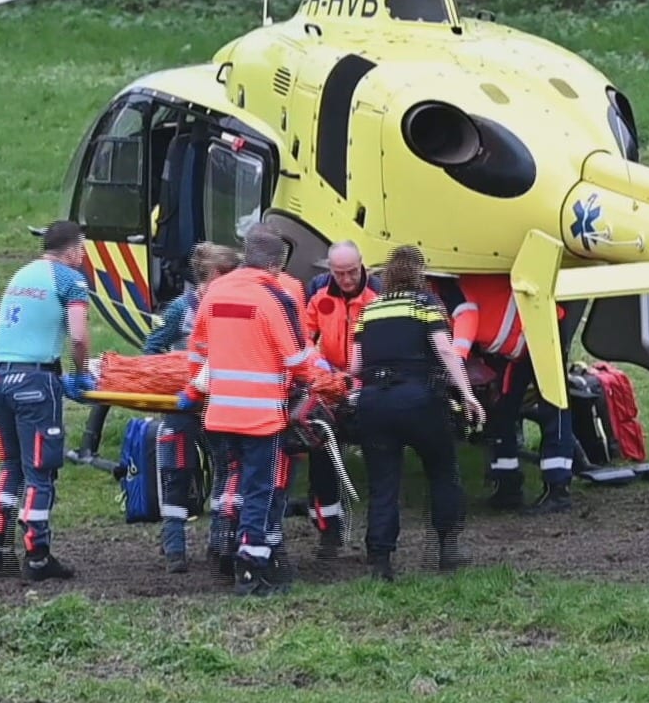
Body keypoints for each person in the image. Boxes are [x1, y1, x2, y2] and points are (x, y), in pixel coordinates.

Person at [182, 225, 316, 596]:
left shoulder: (215, 291)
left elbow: (197, 351)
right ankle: (251, 568)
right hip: (261, 418)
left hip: (219, 413)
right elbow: (297, 358)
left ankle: (224, 544)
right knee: (260, 489)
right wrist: (311, 380)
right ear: (276, 265)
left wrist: (198, 388)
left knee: (231, 480)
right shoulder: (275, 298)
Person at [350, 245, 485, 581]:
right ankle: (447, 548)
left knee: (383, 482)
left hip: (374, 402)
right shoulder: (426, 305)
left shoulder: (369, 310)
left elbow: (354, 366)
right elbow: (445, 351)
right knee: (442, 470)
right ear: (419, 274)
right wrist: (467, 394)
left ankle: (380, 560)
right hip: (419, 400)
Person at [0, 220, 94, 581]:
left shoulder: (22, 274)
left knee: (10, 465)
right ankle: (38, 556)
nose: (84, 255)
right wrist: (81, 373)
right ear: (72, 250)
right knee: (40, 471)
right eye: (83, 248)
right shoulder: (71, 280)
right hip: (34, 381)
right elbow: (78, 336)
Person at [433, 274, 578, 514]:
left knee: (554, 404)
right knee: (501, 410)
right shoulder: (435, 288)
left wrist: (457, 360)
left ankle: (558, 488)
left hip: (538, 330)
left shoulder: (443, 286)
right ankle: (507, 486)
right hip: (512, 346)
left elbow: (467, 313)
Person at [143, 242, 240, 574]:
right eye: (228, 276)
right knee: (176, 471)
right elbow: (152, 347)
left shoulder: (233, 307)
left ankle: (219, 544)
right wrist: (168, 375)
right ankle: (175, 549)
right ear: (211, 276)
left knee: (225, 468)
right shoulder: (179, 310)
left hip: (219, 405)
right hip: (182, 405)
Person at [298, 240, 381, 557]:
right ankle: (328, 530)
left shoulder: (378, 294)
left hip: (368, 383)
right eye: (339, 273)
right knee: (321, 452)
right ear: (329, 269)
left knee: (378, 454)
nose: (346, 279)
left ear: (362, 265)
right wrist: (319, 365)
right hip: (329, 383)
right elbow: (303, 337)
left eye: (352, 272)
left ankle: (378, 536)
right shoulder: (319, 291)